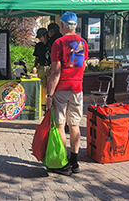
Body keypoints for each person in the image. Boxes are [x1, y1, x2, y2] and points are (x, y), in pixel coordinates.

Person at [46, 11, 88, 176]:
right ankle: (74, 161)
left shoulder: (58, 43)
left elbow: (56, 71)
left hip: (61, 89)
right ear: (75, 25)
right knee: (75, 124)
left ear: (62, 25)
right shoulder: (82, 43)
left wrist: (49, 95)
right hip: (77, 88)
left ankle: (63, 162)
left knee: (60, 125)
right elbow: (82, 66)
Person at [32, 28, 49, 106]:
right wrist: (35, 66)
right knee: (42, 87)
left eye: (40, 36)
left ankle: (50, 103)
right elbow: (37, 57)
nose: (39, 38)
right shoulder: (38, 45)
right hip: (41, 67)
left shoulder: (51, 44)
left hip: (50, 67)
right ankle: (43, 105)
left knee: (50, 86)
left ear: (45, 35)